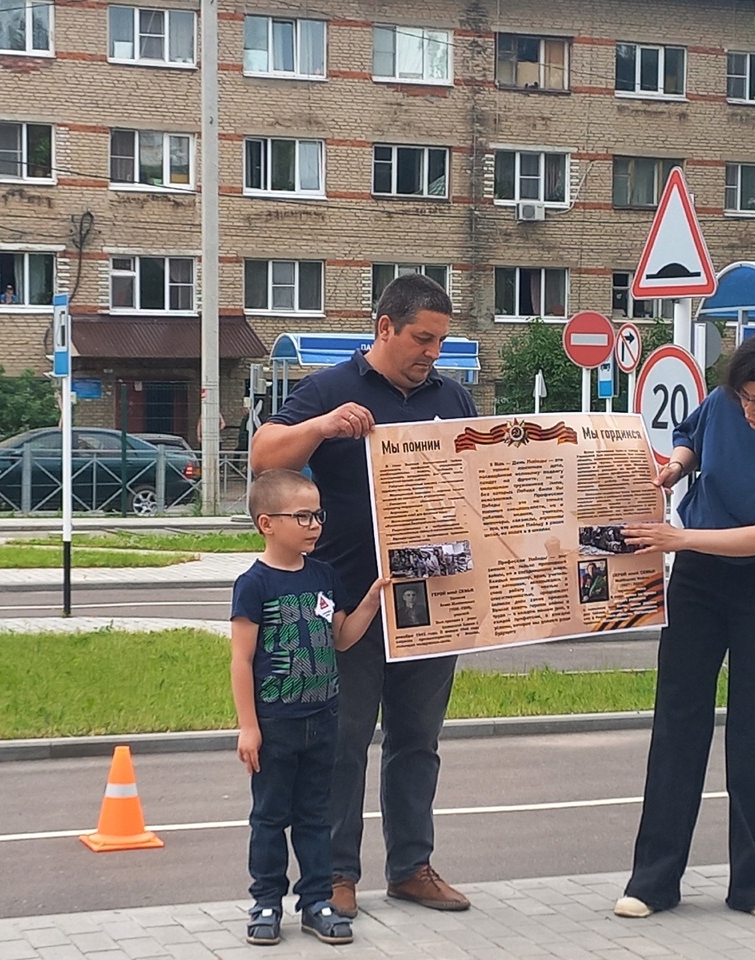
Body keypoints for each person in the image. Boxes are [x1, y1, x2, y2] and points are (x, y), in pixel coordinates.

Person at [249, 273, 477, 918]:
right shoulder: (329, 388)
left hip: (432, 596)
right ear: (384, 327)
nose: (432, 351)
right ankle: (335, 877)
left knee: (418, 741)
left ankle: (411, 867)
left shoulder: (452, 397)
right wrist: (324, 426)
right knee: (343, 744)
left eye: (440, 340)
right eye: (422, 338)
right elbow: (264, 455)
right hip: (349, 602)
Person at [613, 327, 755, 922]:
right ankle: (654, 879)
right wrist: (675, 466)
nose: (750, 411)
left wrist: (681, 537)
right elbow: (691, 435)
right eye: (744, 397)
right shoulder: (725, 402)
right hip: (698, 583)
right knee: (678, 723)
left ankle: (754, 881)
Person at [231, 468, 388, 947]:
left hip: (323, 720)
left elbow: (341, 639)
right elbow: (241, 660)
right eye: (302, 516)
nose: (315, 525)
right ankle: (265, 902)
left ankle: (317, 901)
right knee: (269, 818)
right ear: (267, 523)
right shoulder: (253, 584)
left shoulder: (324, 576)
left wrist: (371, 601)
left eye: (318, 515)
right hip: (276, 723)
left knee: (317, 817)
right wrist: (249, 727)